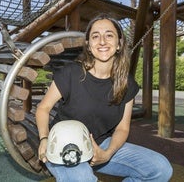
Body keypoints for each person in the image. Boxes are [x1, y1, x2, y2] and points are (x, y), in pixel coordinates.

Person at [36, 13, 173, 182]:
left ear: (119, 43)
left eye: (109, 35)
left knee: (160, 169)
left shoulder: (126, 83)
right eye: (95, 36)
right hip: (64, 146)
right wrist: (44, 138)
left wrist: (107, 153)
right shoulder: (71, 73)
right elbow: (43, 108)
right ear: (88, 44)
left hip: (101, 145)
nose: (102, 41)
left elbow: (123, 129)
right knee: (82, 179)